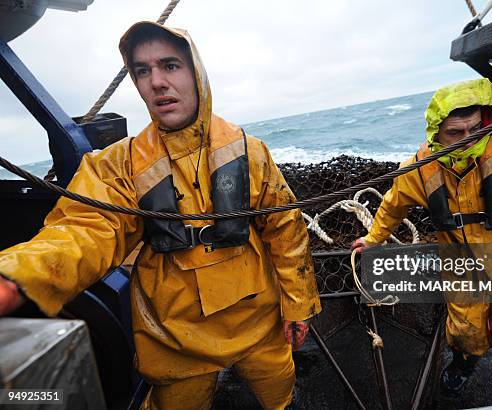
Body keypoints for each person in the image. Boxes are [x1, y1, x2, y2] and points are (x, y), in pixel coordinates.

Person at [0, 21, 321, 409]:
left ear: (195, 73)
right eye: (142, 71)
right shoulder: (118, 166)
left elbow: (286, 231)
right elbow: (84, 229)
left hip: (260, 321)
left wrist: (298, 306)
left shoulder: (249, 151)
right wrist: (18, 275)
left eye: (170, 65)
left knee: (282, 396)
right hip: (176, 336)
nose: (156, 82)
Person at [351, 78, 492, 402]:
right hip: (462, 267)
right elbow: (394, 203)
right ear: (436, 133)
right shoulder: (419, 168)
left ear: (486, 120)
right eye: (455, 133)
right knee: (464, 331)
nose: (466, 139)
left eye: (474, 129)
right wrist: (373, 240)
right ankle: (463, 365)